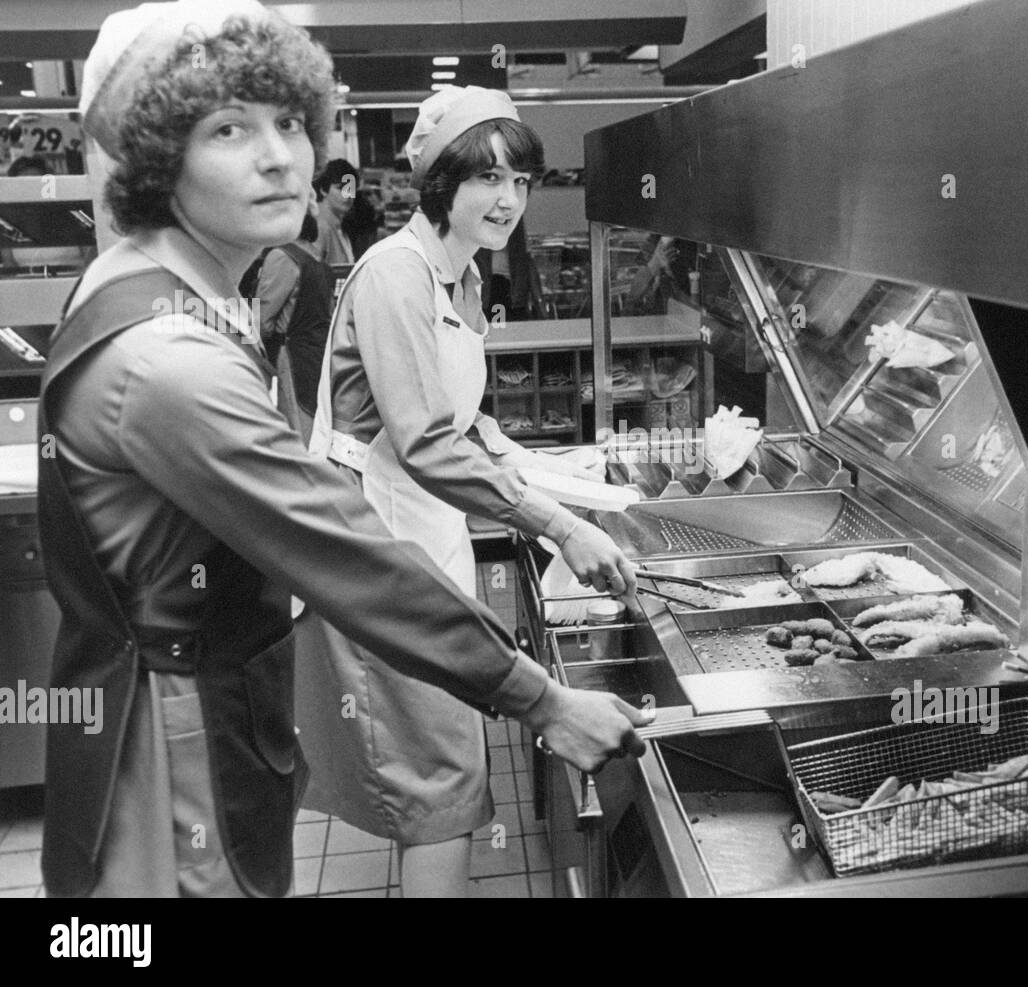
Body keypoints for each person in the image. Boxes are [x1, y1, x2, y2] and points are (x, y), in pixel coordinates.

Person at [38, 0, 650, 899]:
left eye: (289, 121)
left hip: (208, 711)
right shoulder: (170, 358)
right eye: (228, 128)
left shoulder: (185, 296)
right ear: (153, 154)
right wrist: (543, 698)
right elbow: (342, 545)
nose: (281, 155)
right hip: (171, 753)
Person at [297, 85, 639, 897]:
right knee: (443, 783)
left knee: (443, 769)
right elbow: (419, 440)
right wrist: (559, 524)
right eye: (487, 179)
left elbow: (459, 415)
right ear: (442, 183)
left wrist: (522, 455)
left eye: (521, 181)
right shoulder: (394, 276)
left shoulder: (463, 276)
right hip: (370, 547)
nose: (509, 200)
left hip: (429, 536)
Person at [251, 199, 334, 439]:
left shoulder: (281, 256)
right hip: (317, 354)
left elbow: (262, 321)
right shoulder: (317, 257)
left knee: (295, 431)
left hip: (290, 356)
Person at [311, 157, 356, 265]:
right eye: (341, 188)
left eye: (351, 188)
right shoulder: (319, 225)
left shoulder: (338, 225)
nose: (348, 194)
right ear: (323, 190)